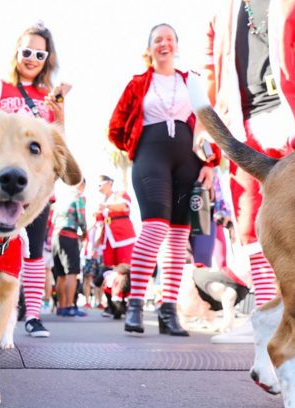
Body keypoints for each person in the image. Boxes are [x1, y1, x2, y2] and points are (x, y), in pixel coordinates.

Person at [202, 0, 295, 345]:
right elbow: (210, 70)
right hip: (243, 124)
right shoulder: (220, 10)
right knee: (250, 224)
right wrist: (203, 127)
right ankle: (269, 319)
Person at [109, 23, 219, 337]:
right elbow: (115, 129)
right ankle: (134, 303)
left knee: (178, 237)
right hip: (150, 157)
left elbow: (208, 123)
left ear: (177, 45)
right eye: (158, 39)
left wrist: (210, 162)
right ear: (150, 47)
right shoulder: (138, 83)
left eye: (170, 38)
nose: (164, 43)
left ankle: (168, 310)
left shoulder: (191, 82)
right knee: (155, 227)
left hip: (189, 161)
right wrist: (137, 145)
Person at [0, 22, 69, 338]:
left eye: (39, 54)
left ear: (48, 59)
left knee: (33, 252)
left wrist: (60, 113)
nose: (32, 58)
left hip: (35, 189)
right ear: (16, 52)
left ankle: (32, 315)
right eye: (26, 51)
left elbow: (58, 144)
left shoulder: (49, 96)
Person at [93, 175, 136, 318]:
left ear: (110, 182)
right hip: (108, 240)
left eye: (101, 184)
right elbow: (99, 223)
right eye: (97, 185)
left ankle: (128, 305)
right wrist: (95, 245)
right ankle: (112, 306)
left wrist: (107, 206)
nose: (98, 187)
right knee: (108, 272)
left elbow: (124, 206)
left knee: (125, 271)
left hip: (124, 237)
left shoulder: (120, 194)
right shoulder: (101, 202)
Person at [51, 179, 88, 317]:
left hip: (56, 235)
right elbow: (82, 218)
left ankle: (61, 306)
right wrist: (84, 232)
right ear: (82, 185)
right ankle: (69, 306)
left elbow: (54, 220)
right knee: (72, 271)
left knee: (60, 273)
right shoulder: (79, 197)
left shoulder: (61, 199)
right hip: (68, 235)